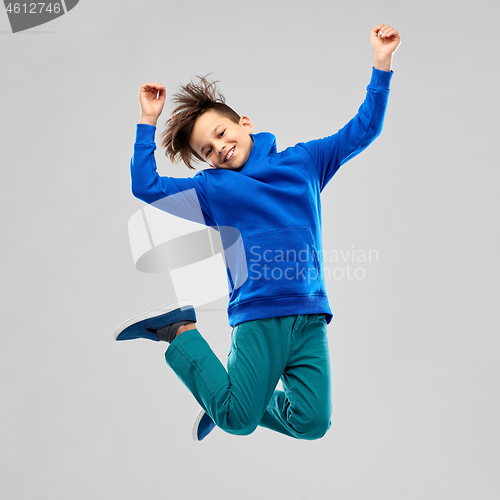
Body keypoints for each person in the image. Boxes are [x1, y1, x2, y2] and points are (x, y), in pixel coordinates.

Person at [113, 24, 401, 441]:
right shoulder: (213, 190)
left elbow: (363, 129)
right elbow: (148, 187)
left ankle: (229, 394)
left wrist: (382, 63)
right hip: (259, 314)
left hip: (310, 314)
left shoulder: (305, 161)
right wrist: (147, 121)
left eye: (221, 134)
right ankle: (178, 330)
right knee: (237, 419)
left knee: (312, 422)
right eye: (207, 152)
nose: (219, 149)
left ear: (244, 123)